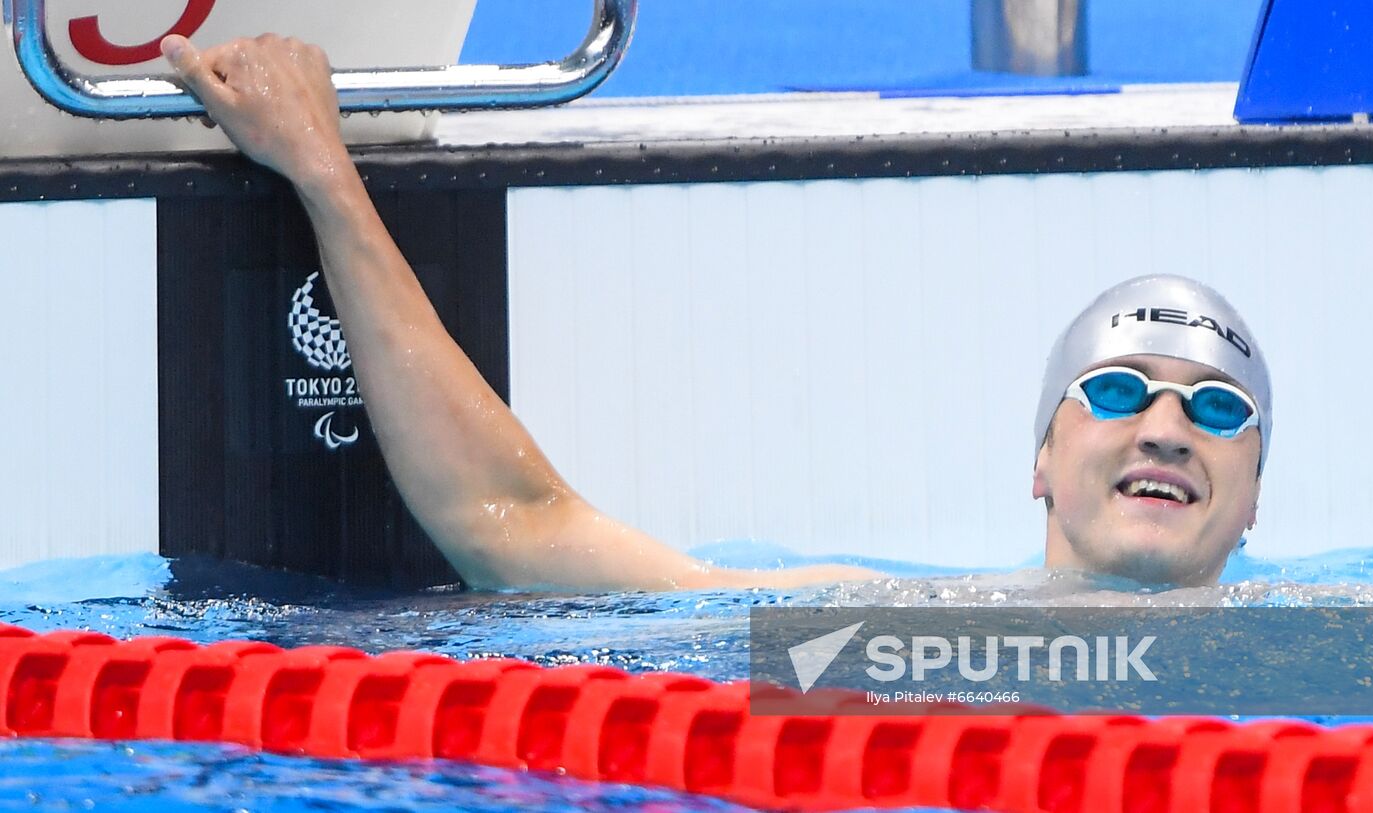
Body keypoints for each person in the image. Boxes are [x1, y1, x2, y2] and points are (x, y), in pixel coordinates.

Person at [159, 35, 1268, 592]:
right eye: (1118, 390)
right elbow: (516, 529)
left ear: (1256, 498)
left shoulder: (1331, 653)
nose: (1165, 426)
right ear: (1038, 460)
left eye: (1216, 410)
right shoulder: (884, 637)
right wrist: (322, 172)